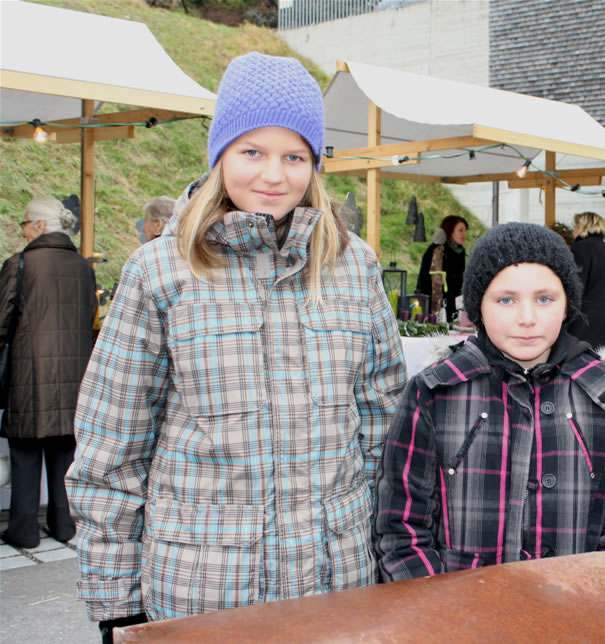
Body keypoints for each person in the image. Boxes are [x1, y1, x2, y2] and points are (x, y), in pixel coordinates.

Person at [65, 52, 406, 639]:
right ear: (220, 154)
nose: (274, 175)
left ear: (315, 164)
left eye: (294, 156)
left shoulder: (354, 268)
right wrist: (116, 603)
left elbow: (382, 427)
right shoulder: (160, 271)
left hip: (336, 587)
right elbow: (112, 447)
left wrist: (377, 551)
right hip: (202, 592)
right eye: (252, 152)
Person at [374, 222, 605, 580]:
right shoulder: (434, 393)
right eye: (506, 300)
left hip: (575, 610)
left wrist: (596, 601)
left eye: (544, 299)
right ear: (478, 305)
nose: (527, 319)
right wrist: (437, 608)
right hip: (460, 610)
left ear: (566, 305)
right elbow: (402, 526)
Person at [0, 197, 97, 549]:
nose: (22, 230)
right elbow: (89, 316)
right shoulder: (84, 267)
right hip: (75, 379)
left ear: (40, 226)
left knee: (25, 455)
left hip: (29, 378)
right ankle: (64, 524)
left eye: (25, 223)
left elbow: (2, 321)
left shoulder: (20, 264)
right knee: (64, 455)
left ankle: (24, 530)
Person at [568, 212, 605, 350]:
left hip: (583, 329)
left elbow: (574, 290)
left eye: (575, 226)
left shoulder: (580, 249)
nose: (573, 231)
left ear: (581, 227)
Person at [416, 214, 468, 322]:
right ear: (450, 231)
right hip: (434, 304)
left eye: (465, 230)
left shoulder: (460, 252)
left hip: (454, 306)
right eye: (460, 230)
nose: (464, 234)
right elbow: (424, 279)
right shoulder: (436, 251)